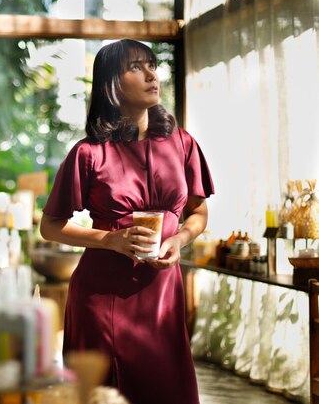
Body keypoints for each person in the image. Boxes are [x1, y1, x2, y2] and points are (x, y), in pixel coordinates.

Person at [40, 39, 214, 404]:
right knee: (106, 395)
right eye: (136, 67)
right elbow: (51, 225)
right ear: (112, 84)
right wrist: (110, 240)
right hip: (102, 297)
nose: (152, 73)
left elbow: (198, 212)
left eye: (152, 64)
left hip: (163, 297)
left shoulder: (182, 143)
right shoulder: (88, 153)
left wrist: (179, 240)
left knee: (171, 391)